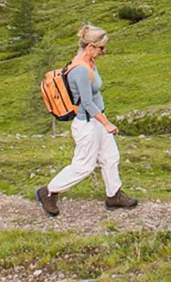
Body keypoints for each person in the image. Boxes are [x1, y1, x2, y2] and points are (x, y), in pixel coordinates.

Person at [36, 24, 138, 216]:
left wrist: (103, 121)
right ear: (90, 46)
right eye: (101, 48)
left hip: (98, 119)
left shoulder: (89, 62)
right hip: (88, 123)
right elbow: (87, 103)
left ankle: (113, 195)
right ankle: (48, 192)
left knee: (110, 157)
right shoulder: (81, 70)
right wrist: (107, 124)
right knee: (84, 166)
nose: (104, 51)